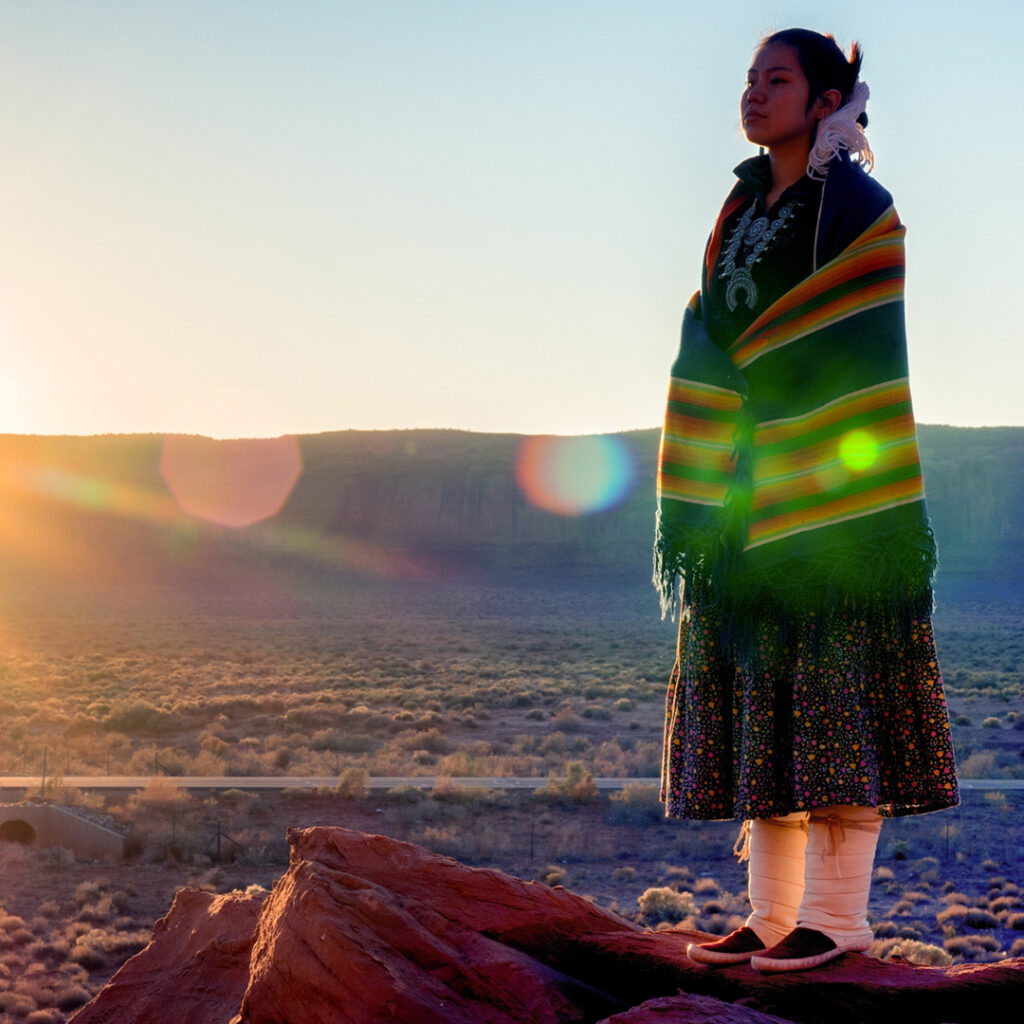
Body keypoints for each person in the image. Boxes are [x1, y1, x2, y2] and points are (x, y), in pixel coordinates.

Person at [653, 28, 959, 973]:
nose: (753, 93)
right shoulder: (738, 208)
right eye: (749, 79)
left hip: (831, 506)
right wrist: (723, 388)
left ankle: (839, 922)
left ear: (827, 99)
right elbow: (704, 321)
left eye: (774, 79)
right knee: (765, 700)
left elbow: (857, 322)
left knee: (832, 700)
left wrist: (751, 383)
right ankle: (773, 917)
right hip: (744, 500)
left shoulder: (859, 206)